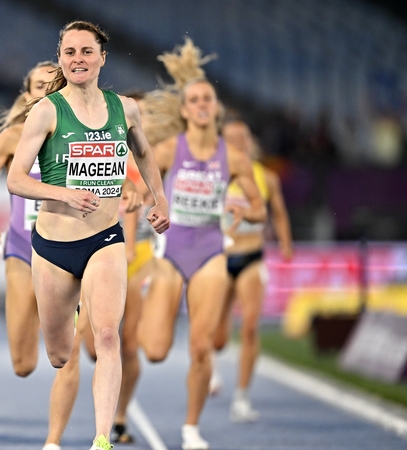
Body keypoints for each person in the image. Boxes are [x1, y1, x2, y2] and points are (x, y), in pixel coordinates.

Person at [6, 21, 169, 450]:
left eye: (86, 51)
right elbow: (15, 179)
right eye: (70, 52)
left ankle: (101, 438)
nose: (78, 59)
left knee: (108, 334)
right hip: (54, 247)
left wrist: (160, 198)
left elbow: (145, 152)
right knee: (60, 355)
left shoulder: (126, 108)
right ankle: (72, 305)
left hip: (104, 241)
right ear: (61, 58)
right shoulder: (46, 110)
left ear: (102, 58)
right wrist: (64, 193)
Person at [136, 38, 265, 449]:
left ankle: (191, 427)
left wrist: (245, 212)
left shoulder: (236, 158)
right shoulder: (171, 148)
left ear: (216, 107)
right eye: (194, 99)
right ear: (185, 110)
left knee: (201, 347)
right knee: (155, 350)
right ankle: (150, 298)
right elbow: (135, 176)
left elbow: (260, 209)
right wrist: (140, 197)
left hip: (211, 251)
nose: (202, 104)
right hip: (171, 252)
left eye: (208, 97)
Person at [0, 60, 89, 450]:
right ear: (28, 94)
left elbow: (109, 178)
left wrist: (129, 194)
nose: (46, 91)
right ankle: (44, 322)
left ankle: (53, 442)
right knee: (23, 364)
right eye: (39, 85)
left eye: (53, 85)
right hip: (21, 249)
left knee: (69, 353)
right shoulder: (11, 138)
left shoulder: (84, 133)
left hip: (69, 249)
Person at [80, 93, 157, 445]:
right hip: (101, 250)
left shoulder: (159, 155)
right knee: (95, 344)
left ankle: (121, 417)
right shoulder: (105, 149)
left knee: (130, 344)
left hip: (140, 256)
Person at [210, 118, 294, 422]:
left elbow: (280, 214)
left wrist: (285, 243)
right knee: (217, 337)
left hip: (251, 256)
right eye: (230, 138)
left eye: (242, 137)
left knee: (249, 328)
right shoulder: (212, 174)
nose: (237, 143)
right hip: (219, 258)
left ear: (251, 142)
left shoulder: (266, 178)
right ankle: (211, 366)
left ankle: (242, 397)